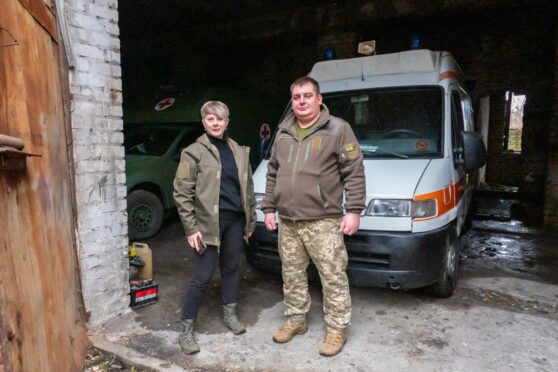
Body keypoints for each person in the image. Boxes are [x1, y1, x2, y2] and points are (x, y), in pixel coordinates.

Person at [261, 76, 365, 357]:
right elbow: (272, 173)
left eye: (308, 96)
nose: (302, 102)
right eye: (297, 97)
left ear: (319, 99)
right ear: (292, 101)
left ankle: (337, 329)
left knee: (332, 276)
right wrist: (269, 208)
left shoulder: (338, 129)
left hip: (323, 220)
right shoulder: (283, 131)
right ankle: (296, 320)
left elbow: (353, 172)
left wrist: (354, 210)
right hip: (288, 221)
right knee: (292, 274)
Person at [173, 100, 256, 354]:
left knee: (231, 268)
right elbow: (181, 192)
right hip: (207, 224)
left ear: (227, 122)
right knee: (202, 276)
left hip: (235, 221)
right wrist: (191, 228)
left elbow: (248, 187)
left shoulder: (239, 151)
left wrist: (250, 221)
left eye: (220, 119)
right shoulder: (193, 152)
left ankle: (230, 314)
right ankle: (186, 330)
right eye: (210, 119)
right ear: (203, 122)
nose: (216, 123)